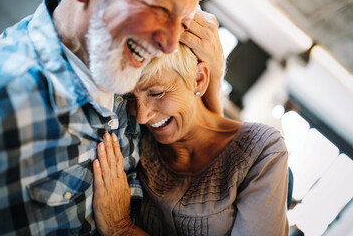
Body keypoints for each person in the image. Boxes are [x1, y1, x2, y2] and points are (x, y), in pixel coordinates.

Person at [0, 0, 225, 234]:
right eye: (160, 9)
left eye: (183, 23)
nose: (169, 45)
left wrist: (215, 72)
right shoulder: (5, 99)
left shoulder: (126, 63)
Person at [93, 43, 290, 236]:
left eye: (157, 93)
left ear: (199, 79)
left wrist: (121, 229)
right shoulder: (134, 131)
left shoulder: (261, 149)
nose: (142, 116)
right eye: (130, 97)